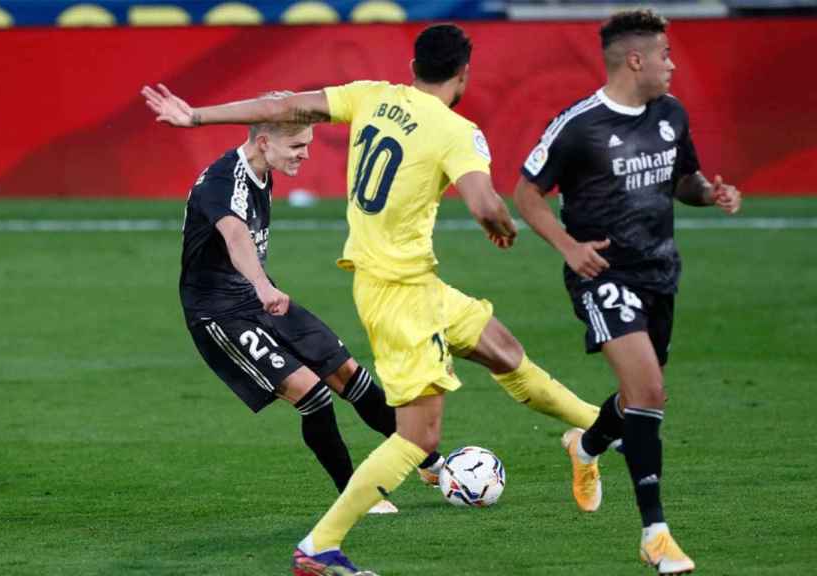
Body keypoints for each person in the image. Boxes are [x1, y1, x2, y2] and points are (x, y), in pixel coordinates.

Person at [145, 23, 601, 575]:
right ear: (463, 75)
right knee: (404, 429)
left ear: (413, 67)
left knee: (502, 351)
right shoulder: (459, 132)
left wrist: (196, 115)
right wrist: (502, 224)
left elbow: (286, 103)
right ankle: (322, 542)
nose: (303, 153)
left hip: (411, 284)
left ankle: (598, 432)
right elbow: (483, 203)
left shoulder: (372, 96)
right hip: (358, 295)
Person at [513, 9, 741, 575]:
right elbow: (527, 193)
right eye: (665, 54)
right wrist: (569, 248)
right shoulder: (579, 125)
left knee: (639, 395)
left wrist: (710, 194)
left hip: (660, 271)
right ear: (635, 59)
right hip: (601, 273)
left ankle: (586, 446)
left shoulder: (671, 114)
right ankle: (655, 534)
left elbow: (682, 180)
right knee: (649, 388)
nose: (672, 63)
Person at [178, 109, 447, 515]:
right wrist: (262, 284)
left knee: (349, 374)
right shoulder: (223, 181)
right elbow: (235, 235)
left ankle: (433, 464)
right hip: (219, 313)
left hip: (256, 297)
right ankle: (355, 496)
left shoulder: (259, 169)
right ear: (265, 141)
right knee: (314, 395)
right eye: (297, 145)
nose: (305, 154)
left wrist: (261, 288)